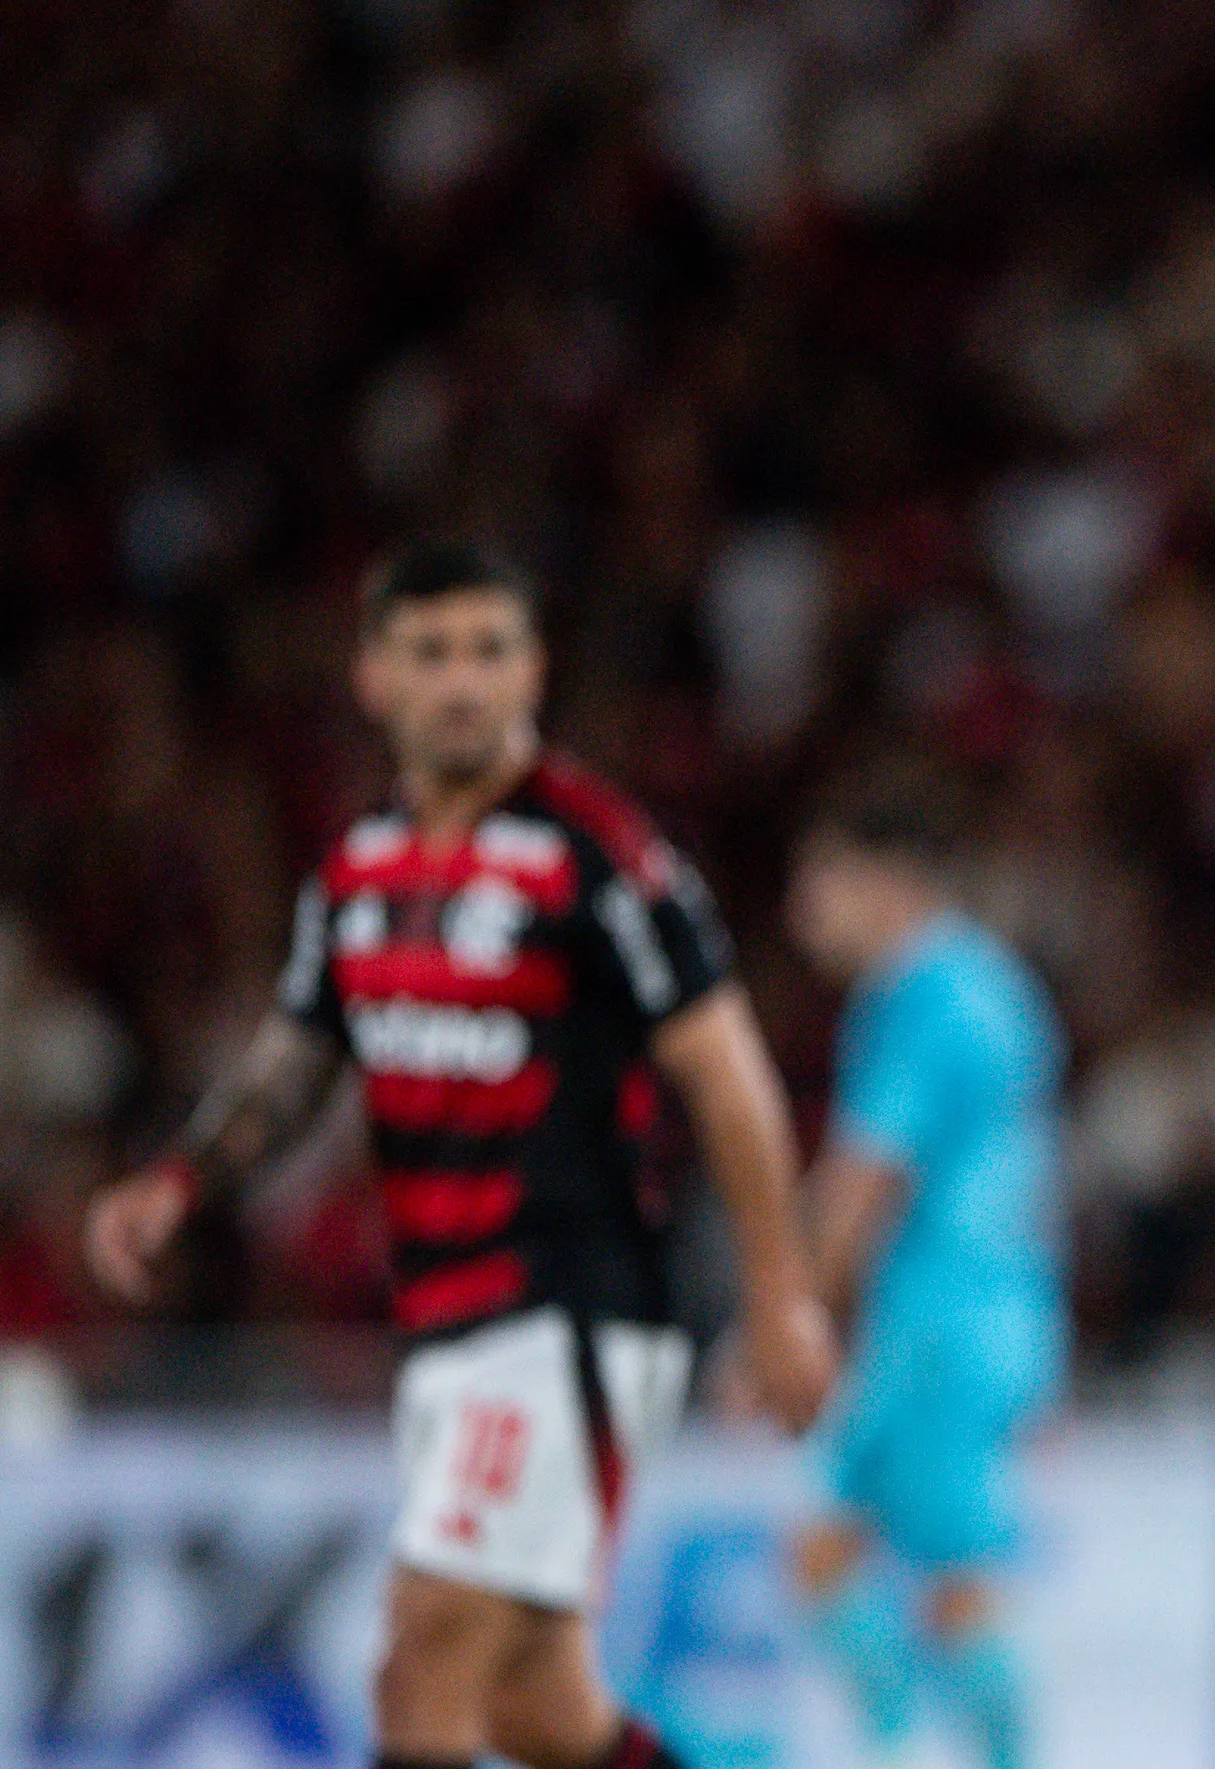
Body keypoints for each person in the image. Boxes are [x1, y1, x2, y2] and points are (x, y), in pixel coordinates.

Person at [84, 541, 836, 1769]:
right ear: (374, 677)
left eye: (490, 649)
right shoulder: (358, 870)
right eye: (430, 652)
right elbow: (298, 1054)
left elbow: (728, 1069)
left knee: (418, 1658)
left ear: (534, 669)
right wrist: (180, 1180)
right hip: (441, 1323)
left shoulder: (600, 854)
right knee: (536, 1709)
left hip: (566, 1312)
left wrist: (782, 1294)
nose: (463, 681)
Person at [784, 765, 1068, 1769]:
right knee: (821, 1552)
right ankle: (898, 1744)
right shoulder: (995, 985)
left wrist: (787, 1315)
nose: (802, 910)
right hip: (988, 1308)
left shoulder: (921, 994)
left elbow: (865, 1177)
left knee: (954, 1580)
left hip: (943, 1320)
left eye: (818, 880)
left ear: (881, 878)